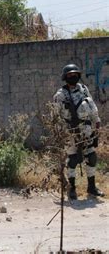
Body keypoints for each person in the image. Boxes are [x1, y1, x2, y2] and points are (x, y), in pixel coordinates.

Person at [53, 64, 104, 200]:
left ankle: (92, 187)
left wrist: (96, 123)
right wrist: (62, 133)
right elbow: (55, 116)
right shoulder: (60, 95)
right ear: (65, 77)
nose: (73, 76)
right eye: (69, 75)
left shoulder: (83, 89)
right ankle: (72, 189)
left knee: (91, 157)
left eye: (75, 74)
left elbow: (92, 106)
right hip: (71, 132)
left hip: (87, 130)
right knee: (73, 160)